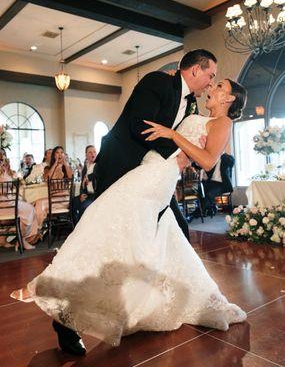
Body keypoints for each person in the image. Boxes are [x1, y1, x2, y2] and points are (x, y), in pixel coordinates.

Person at [11, 78, 247, 356]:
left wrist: (175, 136)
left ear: (229, 100)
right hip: (148, 169)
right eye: (213, 82)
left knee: (100, 215)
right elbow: (189, 151)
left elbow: (208, 161)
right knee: (122, 232)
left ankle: (49, 283)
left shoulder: (224, 123)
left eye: (220, 87)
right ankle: (101, 296)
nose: (212, 88)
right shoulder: (195, 113)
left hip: (157, 178)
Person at [94, 49, 217, 241]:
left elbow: (185, 137)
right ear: (195, 70)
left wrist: (196, 150)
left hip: (153, 173)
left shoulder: (192, 102)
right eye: (210, 75)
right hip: (119, 165)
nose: (211, 83)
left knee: (175, 228)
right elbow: (141, 126)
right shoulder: (158, 82)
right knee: (112, 229)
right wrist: (179, 150)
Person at [0, 150, 38, 250]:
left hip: (8, 201)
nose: (3, 158)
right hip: (3, 205)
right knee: (29, 210)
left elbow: (12, 185)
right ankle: (22, 239)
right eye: (1, 157)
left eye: (4, 156)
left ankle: (5, 238)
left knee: (29, 206)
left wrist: (11, 174)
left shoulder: (4, 170)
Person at [34, 146, 73, 231]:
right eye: (57, 152)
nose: (60, 154)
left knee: (39, 204)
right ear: (54, 155)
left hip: (64, 200)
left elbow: (71, 177)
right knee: (37, 204)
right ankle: (36, 231)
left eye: (62, 152)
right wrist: (55, 164)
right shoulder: (48, 168)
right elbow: (47, 178)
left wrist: (65, 163)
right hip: (53, 199)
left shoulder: (66, 167)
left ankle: (37, 230)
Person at [72, 145, 97, 225]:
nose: (93, 154)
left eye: (94, 152)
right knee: (72, 203)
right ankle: (75, 226)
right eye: (90, 152)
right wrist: (82, 194)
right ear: (86, 155)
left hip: (95, 195)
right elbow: (82, 182)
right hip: (87, 194)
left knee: (83, 207)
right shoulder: (85, 168)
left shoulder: (98, 165)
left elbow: (98, 174)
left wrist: (88, 177)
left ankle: (81, 229)